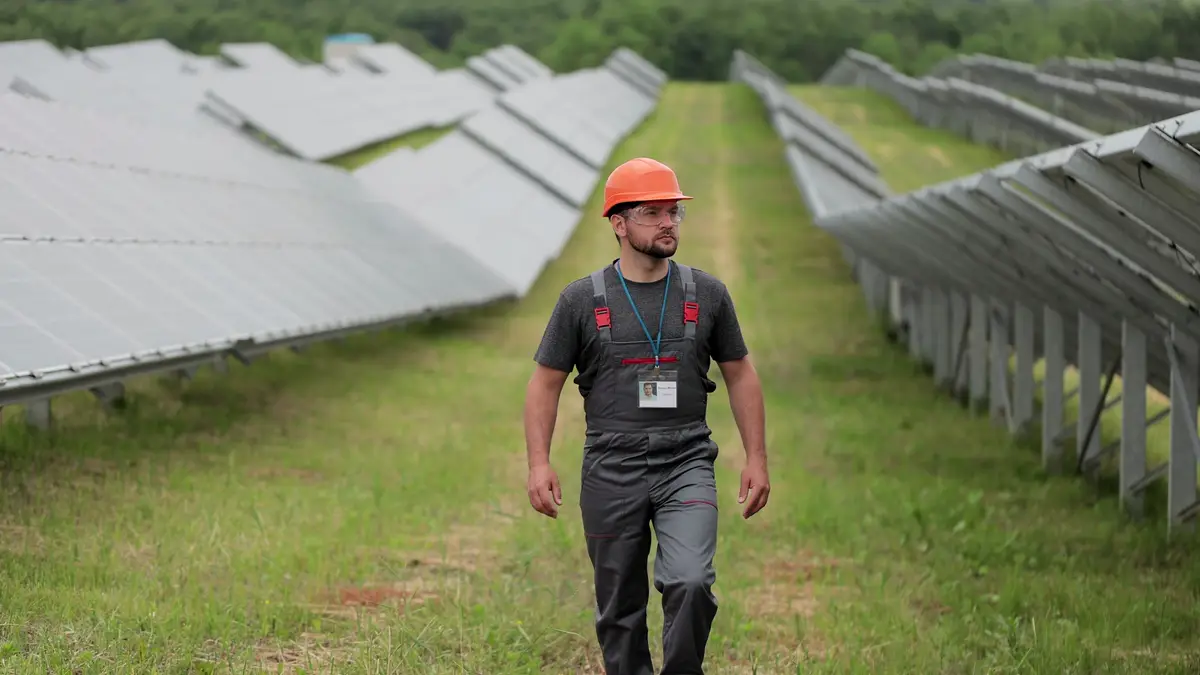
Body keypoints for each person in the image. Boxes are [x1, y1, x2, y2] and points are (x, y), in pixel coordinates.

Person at [523, 157, 770, 674]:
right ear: (618, 223)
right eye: (653, 213)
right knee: (620, 609)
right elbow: (545, 384)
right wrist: (539, 463)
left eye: (674, 213)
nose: (668, 223)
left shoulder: (706, 295)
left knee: (691, 581)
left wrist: (756, 457)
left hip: (686, 460)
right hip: (611, 465)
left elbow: (741, 373)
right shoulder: (580, 301)